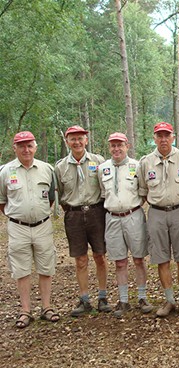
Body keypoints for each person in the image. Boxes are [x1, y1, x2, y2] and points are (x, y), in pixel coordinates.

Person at [0, 131, 59, 328]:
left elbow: (50, 198)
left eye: (29, 145)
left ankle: (46, 307)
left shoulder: (46, 169)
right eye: (21, 146)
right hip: (18, 227)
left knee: (46, 266)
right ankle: (25, 310)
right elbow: (2, 201)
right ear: (14, 148)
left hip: (42, 225)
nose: (26, 149)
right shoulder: (5, 171)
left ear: (35, 147)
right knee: (21, 269)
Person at [138, 122, 179, 318]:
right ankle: (169, 300)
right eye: (159, 135)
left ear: (173, 137)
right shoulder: (145, 162)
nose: (163, 139)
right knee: (161, 258)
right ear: (154, 138)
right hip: (156, 213)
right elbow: (143, 191)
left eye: (167, 135)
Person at [55, 125, 110, 316]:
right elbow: (61, 195)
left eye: (80, 138)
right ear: (67, 142)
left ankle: (103, 297)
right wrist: (73, 210)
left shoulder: (99, 162)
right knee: (80, 259)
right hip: (74, 215)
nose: (77, 142)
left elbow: (105, 188)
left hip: (97, 213)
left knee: (100, 256)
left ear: (86, 140)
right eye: (73, 139)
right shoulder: (60, 167)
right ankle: (84, 299)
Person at [98, 132, 153, 318]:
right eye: (113, 145)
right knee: (120, 262)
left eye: (119, 145)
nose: (116, 149)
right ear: (109, 148)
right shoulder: (102, 168)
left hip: (133, 215)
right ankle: (123, 300)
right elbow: (102, 193)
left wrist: (131, 208)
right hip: (112, 218)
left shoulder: (137, 166)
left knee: (138, 259)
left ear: (127, 145)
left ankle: (142, 297)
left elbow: (143, 192)